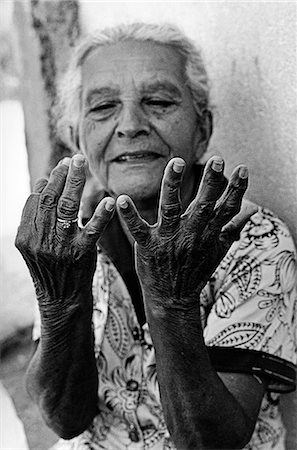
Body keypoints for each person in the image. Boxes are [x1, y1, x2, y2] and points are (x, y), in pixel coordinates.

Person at [15, 23, 296, 450]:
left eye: (159, 101)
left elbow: (209, 442)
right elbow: (63, 417)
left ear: (202, 130)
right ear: (76, 137)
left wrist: (170, 300)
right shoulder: (67, 236)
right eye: (103, 107)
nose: (130, 125)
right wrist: (60, 302)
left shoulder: (251, 237)